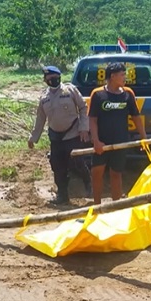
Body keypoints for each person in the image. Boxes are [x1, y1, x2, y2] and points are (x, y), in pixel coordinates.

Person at [28, 65, 92, 204]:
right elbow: (40, 119)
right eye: (49, 79)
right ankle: (62, 195)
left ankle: (89, 184)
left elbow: (83, 107)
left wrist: (83, 128)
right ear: (45, 80)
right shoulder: (44, 98)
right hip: (56, 137)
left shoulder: (70, 90)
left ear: (59, 77)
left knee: (78, 162)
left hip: (73, 134)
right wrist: (33, 138)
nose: (53, 81)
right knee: (57, 166)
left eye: (55, 78)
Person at [88, 62, 147, 205]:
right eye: (122, 75)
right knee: (97, 173)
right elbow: (92, 120)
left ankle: (116, 207)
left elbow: (136, 118)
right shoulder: (98, 94)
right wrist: (96, 141)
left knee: (116, 174)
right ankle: (97, 206)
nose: (125, 77)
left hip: (120, 142)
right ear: (113, 76)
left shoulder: (128, 94)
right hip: (102, 142)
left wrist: (144, 137)